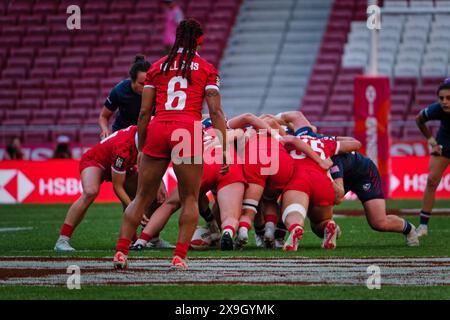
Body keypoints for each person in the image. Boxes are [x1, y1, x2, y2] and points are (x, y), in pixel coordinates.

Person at [113, 19, 228, 270]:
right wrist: (225, 149)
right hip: (186, 130)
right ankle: (178, 257)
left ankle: (121, 252)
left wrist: (143, 146)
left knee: (141, 197)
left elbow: (144, 113)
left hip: (158, 127)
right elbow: (216, 113)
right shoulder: (207, 69)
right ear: (200, 40)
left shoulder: (156, 67)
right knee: (189, 198)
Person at [54, 126, 140, 252]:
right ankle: (62, 240)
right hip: (95, 160)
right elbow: (117, 187)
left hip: (120, 162)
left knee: (140, 195)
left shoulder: (144, 133)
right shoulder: (124, 147)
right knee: (90, 192)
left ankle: (135, 239)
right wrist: (133, 208)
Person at [330, 152, 419, 246]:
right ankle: (331, 228)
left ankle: (409, 229)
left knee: (379, 223)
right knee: (318, 214)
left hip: (362, 173)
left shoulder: (327, 152)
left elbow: (338, 197)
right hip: (340, 175)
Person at [415, 79, 450, 237]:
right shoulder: (437, 109)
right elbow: (419, 119)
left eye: (449, 98)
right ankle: (423, 226)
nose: (444, 102)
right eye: (441, 98)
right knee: (431, 180)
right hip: (444, 143)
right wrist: (431, 142)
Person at [98, 55, 151, 140]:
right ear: (132, 80)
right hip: (122, 134)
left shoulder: (154, 90)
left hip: (145, 135)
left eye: (148, 83)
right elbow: (103, 116)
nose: (145, 87)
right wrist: (105, 130)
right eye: (141, 84)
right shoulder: (119, 90)